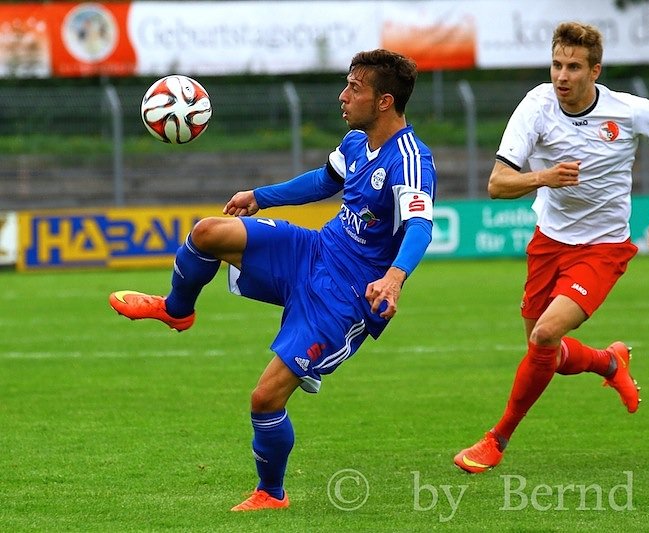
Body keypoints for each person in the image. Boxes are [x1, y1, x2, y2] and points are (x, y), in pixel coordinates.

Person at [109, 49, 436, 509]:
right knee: (207, 233)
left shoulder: (411, 159)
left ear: (384, 101)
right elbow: (323, 181)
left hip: (345, 297)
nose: (342, 96)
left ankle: (270, 493)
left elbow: (420, 224)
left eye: (354, 88)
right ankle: (176, 310)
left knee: (265, 399)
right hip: (314, 251)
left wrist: (395, 278)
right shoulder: (355, 143)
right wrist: (260, 197)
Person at [453, 22, 649, 474]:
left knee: (545, 336)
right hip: (549, 242)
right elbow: (497, 184)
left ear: (595, 71)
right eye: (556, 65)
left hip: (603, 248)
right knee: (544, 351)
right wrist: (544, 177)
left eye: (573, 67)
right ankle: (608, 362)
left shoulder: (630, 111)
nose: (562, 76)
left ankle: (496, 439)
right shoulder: (536, 106)